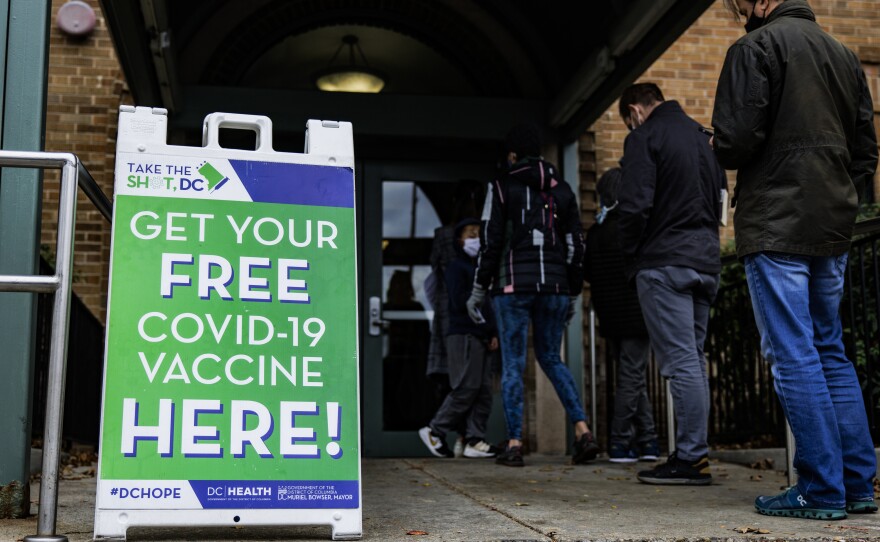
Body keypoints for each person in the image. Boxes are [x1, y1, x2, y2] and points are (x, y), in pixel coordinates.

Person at [712, 0, 878, 519]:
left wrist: (717, 141)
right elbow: (866, 153)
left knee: (794, 354)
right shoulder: (846, 56)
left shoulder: (754, 47)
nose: (738, 11)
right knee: (829, 349)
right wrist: (835, 197)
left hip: (777, 220)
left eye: (739, 3)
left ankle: (820, 490)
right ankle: (856, 486)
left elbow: (736, 142)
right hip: (830, 223)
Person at [467, 123, 599, 468]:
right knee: (551, 358)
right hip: (554, 286)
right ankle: (583, 431)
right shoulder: (564, 190)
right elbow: (575, 246)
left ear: (512, 155)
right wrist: (571, 290)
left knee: (513, 363)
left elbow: (491, 242)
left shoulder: (500, 187)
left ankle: (513, 443)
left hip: (512, 286)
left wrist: (479, 288)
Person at [616, 83, 725, 485]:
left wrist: (631, 255)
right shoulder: (704, 137)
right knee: (693, 361)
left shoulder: (645, 136)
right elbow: (721, 202)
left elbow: (633, 206)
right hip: (705, 262)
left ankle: (692, 459)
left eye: (628, 120)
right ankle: (693, 453)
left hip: (665, 263)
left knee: (681, 363)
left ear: (636, 111)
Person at [584, 167, 659, 463]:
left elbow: (588, 272)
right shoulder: (634, 228)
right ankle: (619, 441)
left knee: (633, 376)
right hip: (637, 314)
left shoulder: (596, 232)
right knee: (632, 378)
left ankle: (649, 440)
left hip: (609, 316)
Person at [419, 218, 501, 458]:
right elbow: (462, 302)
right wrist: (485, 328)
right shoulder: (457, 268)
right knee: (466, 386)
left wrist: (491, 332)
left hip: (481, 335)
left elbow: (486, 306)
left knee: (484, 389)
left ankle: (475, 440)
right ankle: (435, 430)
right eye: (470, 234)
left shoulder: (480, 269)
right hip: (464, 334)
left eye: (478, 234)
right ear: (459, 240)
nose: (475, 238)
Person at [425, 181, 484, 456]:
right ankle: (457, 435)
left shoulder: (441, 236)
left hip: (448, 313)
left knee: (459, 379)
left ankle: (468, 438)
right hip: (464, 315)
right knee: (466, 381)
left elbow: (433, 274)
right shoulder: (463, 247)